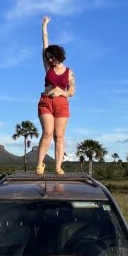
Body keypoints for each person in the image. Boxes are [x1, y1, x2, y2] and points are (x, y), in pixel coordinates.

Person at [36, 15, 75, 175]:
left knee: (59, 136)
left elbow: (72, 91)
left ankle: (58, 167)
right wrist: (44, 26)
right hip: (46, 102)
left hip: (62, 104)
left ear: (58, 56)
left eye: (52, 57)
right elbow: (45, 43)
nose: (50, 60)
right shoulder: (48, 67)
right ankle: (40, 165)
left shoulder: (69, 72)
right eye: (48, 58)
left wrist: (63, 92)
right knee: (47, 133)